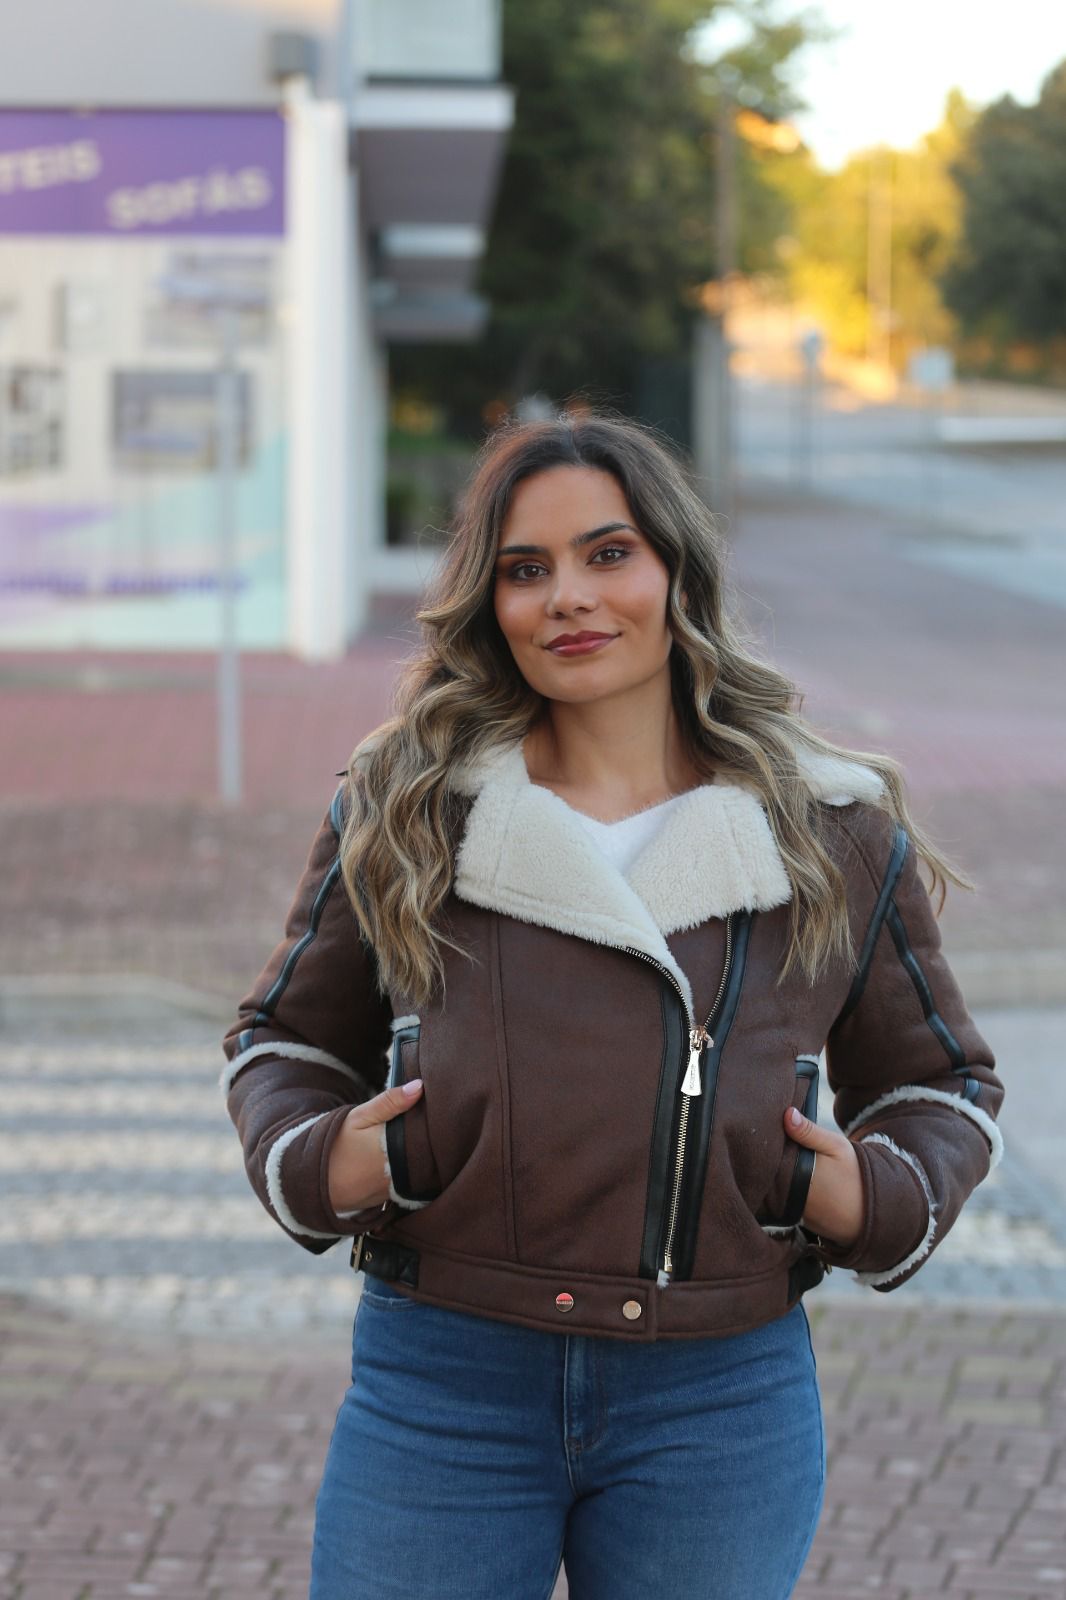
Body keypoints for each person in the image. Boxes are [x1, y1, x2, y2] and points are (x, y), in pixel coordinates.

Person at [221, 410, 1005, 1600]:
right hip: (445, 1377)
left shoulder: (826, 827)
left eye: (607, 553)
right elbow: (283, 1039)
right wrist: (336, 1161)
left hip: (717, 1395)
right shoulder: (411, 806)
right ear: (490, 604)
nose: (568, 598)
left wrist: (857, 1192)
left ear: (675, 571)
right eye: (524, 569)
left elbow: (940, 1084)